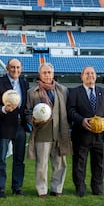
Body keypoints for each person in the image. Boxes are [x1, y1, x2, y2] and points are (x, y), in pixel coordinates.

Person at [67, 66, 104, 197]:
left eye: (92, 73)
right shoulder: (74, 92)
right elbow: (71, 111)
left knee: (99, 163)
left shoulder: (103, 92)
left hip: (100, 135)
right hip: (81, 134)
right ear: (82, 76)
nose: (90, 75)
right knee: (79, 163)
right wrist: (82, 120)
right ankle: (80, 187)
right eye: (87, 73)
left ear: (96, 76)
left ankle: (97, 187)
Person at [25, 63, 72, 198]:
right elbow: (27, 112)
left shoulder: (63, 90)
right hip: (41, 133)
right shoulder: (32, 92)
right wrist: (33, 120)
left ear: (53, 74)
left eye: (49, 72)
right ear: (40, 75)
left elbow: (68, 110)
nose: (47, 75)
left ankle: (57, 189)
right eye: (44, 72)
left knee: (60, 164)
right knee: (42, 164)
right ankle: (42, 190)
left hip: (59, 132)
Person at [0, 58, 30, 198]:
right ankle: (0, 188)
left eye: (18, 67)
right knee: (1, 158)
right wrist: (3, 109)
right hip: (4, 126)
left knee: (19, 159)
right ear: (7, 68)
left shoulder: (24, 84)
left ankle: (17, 187)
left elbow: (25, 106)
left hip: (20, 127)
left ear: (21, 68)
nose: (15, 70)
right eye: (12, 67)